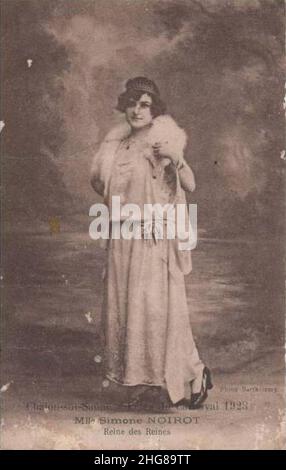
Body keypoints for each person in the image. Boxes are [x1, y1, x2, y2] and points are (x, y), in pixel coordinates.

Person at [90, 76, 212, 409]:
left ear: (154, 109)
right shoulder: (115, 145)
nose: (137, 110)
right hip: (121, 240)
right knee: (127, 310)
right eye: (131, 102)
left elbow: (189, 184)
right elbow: (102, 184)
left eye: (145, 104)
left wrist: (176, 157)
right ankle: (141, 381)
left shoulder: (163, 140)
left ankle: (192, 373)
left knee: (159, 312)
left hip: (152, 240)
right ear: (124, 106)